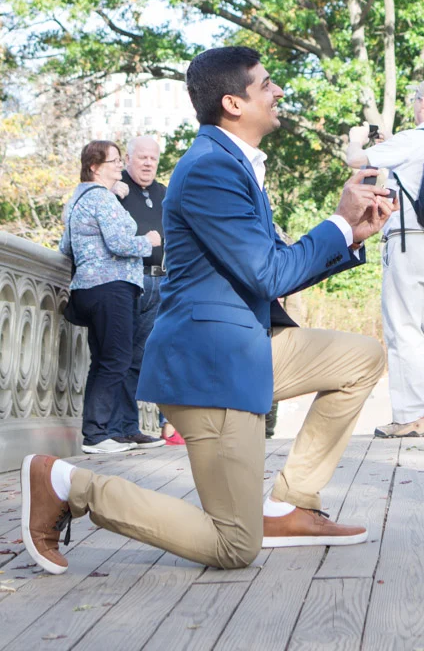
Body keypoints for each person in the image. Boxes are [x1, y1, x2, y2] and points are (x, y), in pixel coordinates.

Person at [23, 47, 393, 576]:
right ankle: (68, 485)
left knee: (361, 357)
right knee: (234, 545)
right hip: (211, 367)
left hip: (245, 345)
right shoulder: (210, 170)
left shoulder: (234, 164)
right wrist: (336, 221)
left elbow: (276, 269)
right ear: (233, 103)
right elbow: (269, 275)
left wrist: (350, 235)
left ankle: (288, 506)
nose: (278, 91)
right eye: (266, 84)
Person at [345, 78, 424, 438]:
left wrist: (355, 138)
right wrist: (390, 144)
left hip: (408, 242)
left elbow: (355, 161)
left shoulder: (411, 140)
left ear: (423, 102)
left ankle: (412, 416)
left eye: (415, 99)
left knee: (403, 329)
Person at [59, 141, 161, 455]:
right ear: (94, 166)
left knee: (103, 361)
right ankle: (97, 435)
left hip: (88, 289)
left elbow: (65, 247)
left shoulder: (77, 199)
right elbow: (119, 243)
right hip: (111, 288)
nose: (119, 165)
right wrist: (149, 241)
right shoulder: (102, 197)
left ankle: (100, 432)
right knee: (116, 360)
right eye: (114, 161)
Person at [107, 136, 168, 449]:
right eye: (142, 157)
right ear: (128, 159)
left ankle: (130, 427)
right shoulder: (115, 188)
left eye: (153, 158)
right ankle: (111, 429)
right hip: (126, 281)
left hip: (159, 284)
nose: (147, 163)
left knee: (138, 359)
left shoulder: (164, 194)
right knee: (117, 356)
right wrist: (110, 188)